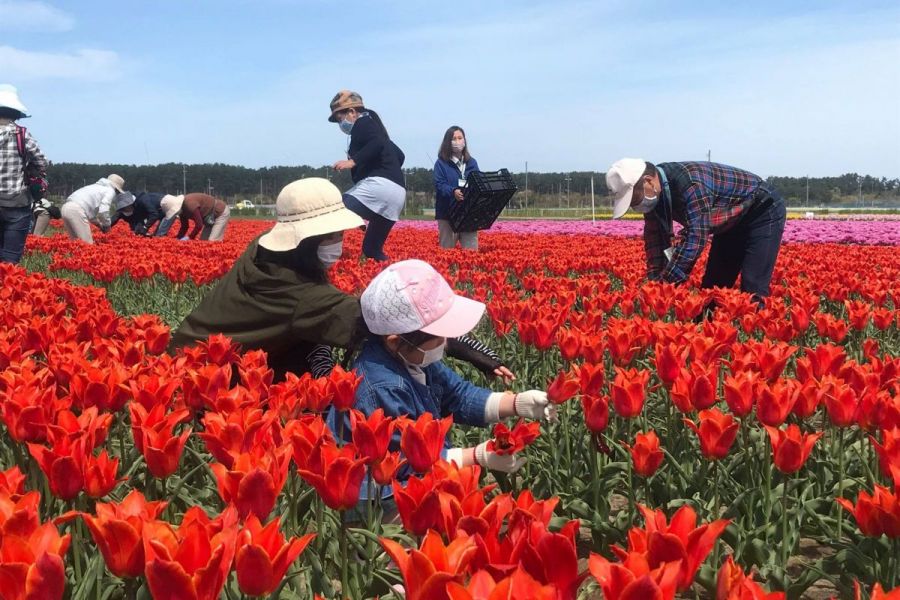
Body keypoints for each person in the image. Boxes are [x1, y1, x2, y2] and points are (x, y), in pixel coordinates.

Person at [169, 178, 513, 383]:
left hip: (184, 357)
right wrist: (478, 354)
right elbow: (394, 324)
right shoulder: (299, 296)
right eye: (330, 235)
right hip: (206, 380)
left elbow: (310, 321)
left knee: (316, 352)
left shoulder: (261, 252)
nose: (340, 243)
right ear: (304, 241)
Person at [329, 259, 556, 509]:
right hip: (377, 497)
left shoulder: (415, 358)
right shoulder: (381, 386)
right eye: (439, 335)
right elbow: (406, 462)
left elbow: (458, 395)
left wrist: (517, 403)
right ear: (395, 341)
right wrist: (478, 456)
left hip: (417, 477)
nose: (446, 342)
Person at [607, 158, 786, 303]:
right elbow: (655, 238)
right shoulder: (657, 193)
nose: (634, 205)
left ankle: (757, 342)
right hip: (729, 221)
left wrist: (666, 285)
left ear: (648, 182)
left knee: (752, 289)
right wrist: (655, 282)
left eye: (633, 198)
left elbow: (696, 238)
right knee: (712, 292)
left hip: (762, 211)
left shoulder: (691, 183)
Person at [329, 90, 406, 261]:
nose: (339, 123)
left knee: (334, 209)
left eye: (339, 118)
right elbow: (400, 156)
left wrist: (353, 161)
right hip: (398, 195)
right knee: (372, 250)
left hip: (378, 187)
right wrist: (388, 168)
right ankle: (389, 273)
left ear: (352, 112)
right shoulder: (379, 132)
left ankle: (325, 256)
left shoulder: (363, 123)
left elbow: (376, 144)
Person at [0, 84, 48, 263]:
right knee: (10, 259)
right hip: (16, 203)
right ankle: (7, 287)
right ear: (15, 112)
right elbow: (42, 162)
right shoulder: (22, 135)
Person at [433, 126, 480, 250]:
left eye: (460, 138)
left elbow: (478, 182)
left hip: (468, 214)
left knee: (471, 253)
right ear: (448, 142)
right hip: (448, 214)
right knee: (446, 252)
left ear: (464, 141)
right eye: (454, 139)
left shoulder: (472, 163)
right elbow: (440, 184)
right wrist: (453, 191)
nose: (458, 142)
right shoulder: (441, 163)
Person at [61, 174, 125, 243]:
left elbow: (91, 215)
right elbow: (103, 210)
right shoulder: (110, 190)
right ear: (116, 188)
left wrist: (99, 224)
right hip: (76, 210)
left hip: (65, 208)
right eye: (118, 192)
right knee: (87, 245)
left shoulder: (95, 187)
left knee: (75, 243)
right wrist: (107, 225)